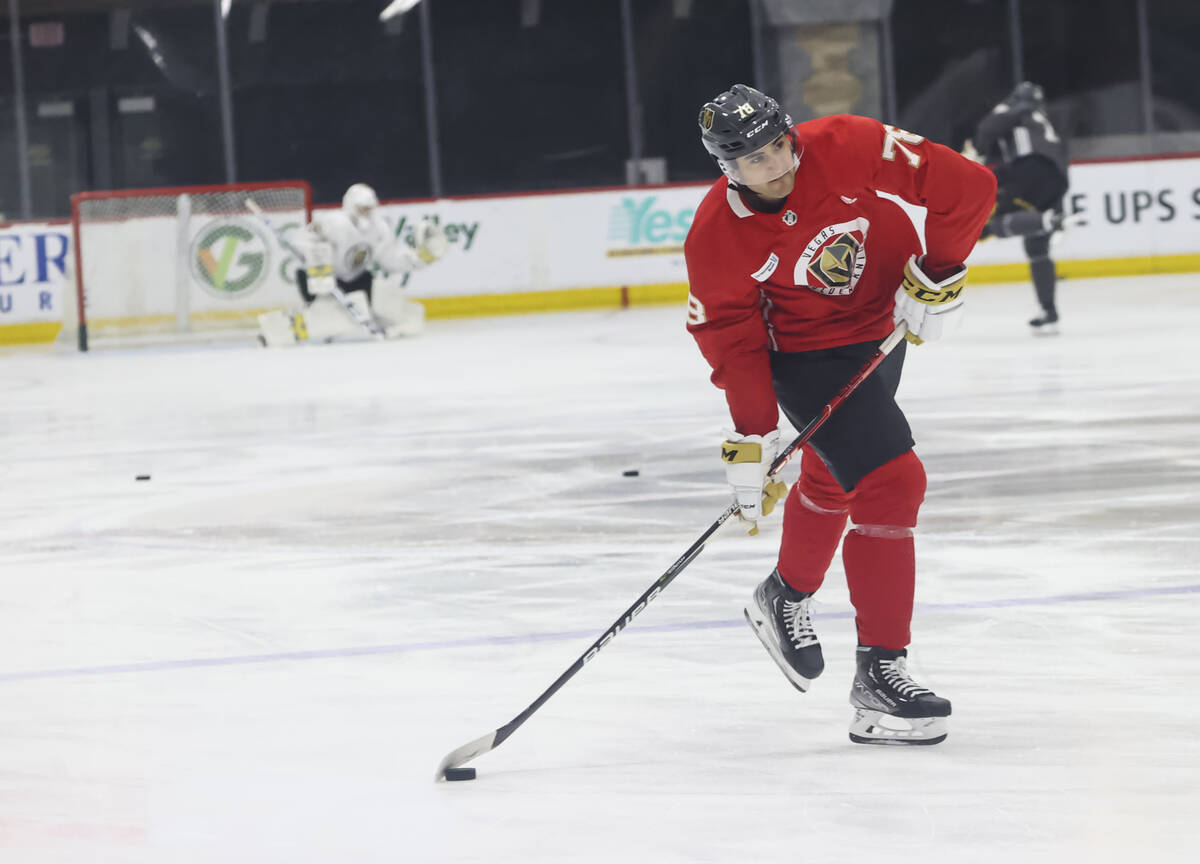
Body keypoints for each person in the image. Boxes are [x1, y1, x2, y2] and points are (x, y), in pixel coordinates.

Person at [684, 84, 995, 745]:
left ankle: (784, 594)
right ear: (727, 168)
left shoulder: (847, 143)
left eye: (778, 145)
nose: (776, 164)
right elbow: (731, 341)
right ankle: (880, 676)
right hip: (805, 355)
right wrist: (752, 436)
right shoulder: (716, 238)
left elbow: (966, 187)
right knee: (892, 481)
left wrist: (940, 273)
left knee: (835, 473)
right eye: (753, 159)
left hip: (881, 320)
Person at [258, 183, 448, 346]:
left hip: (354, 277)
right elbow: (302, 241)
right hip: (317, 277)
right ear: (350, 206)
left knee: (384, 294)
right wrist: (317, 262)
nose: (366, 213)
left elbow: (389, 259)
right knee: (328, 318)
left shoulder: (380, 228)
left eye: (369, 208)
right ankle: (277, 331)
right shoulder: (332, 222)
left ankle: (401, 323)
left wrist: (419, 260)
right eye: (361, 208)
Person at [968, 81, 1071, 333]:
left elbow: (986, 131)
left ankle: (1045, 221)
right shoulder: (1043, 119)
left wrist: (979, 152)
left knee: (984, 226)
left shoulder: (1012, 109)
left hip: (1027, 170)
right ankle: (1049, 311)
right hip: (1058, 179)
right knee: (1037, 247)